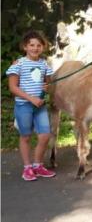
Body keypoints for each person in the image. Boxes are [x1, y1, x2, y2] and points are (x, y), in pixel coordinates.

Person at [6, 31, 57, 181]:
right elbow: (13, 88)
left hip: (40, 106)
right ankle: (27, 168)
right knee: (26, 137)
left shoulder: (44, 64)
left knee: (45, 136)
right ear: (25, 47)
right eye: (32, 45)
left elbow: (48, 82)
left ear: (43, 47)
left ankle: (38, 165)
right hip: (24, 106)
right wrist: (31, 98)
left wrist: (47, 87)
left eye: (39, 45)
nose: (35, 48)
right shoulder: (19, 64)